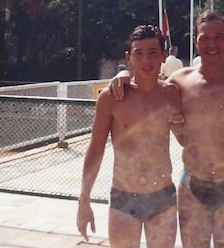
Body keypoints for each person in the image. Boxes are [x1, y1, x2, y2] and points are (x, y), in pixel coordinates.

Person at [109, 11, 224, 248]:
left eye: (218, 37)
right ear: (196, 41)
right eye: (204, 38)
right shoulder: (179, 82)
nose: (211, 44)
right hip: (192, 189)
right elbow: (147, 88)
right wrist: (123, 74)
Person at [76, 24, 184, 247]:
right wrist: (84, 200)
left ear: (164, 56)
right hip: (123, 197)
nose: (146, 60)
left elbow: (188, 138)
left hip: (162, 196)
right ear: (129, 57)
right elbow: (95, 149)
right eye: (139, 54)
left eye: (153, 53)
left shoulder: (172, 94)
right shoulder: (112, 97)